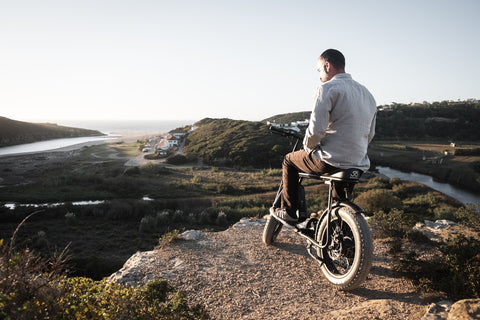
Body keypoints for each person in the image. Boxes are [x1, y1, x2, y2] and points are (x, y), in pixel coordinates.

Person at [271, 48, 377, 224]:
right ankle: (340, 228)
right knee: (340, 201)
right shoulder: (367, 94)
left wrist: (309, 148)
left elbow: (316, 130)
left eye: (319, 70)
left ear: (327, 66)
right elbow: (370, 133)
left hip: (330, 159)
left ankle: (288, 211)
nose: (319, 75)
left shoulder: (327, 88)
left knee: (289, 160)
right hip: (358, 162)